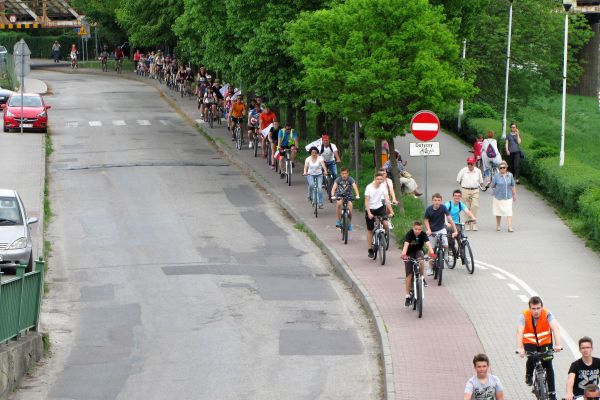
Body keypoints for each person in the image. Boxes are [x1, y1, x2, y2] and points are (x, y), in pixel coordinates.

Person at [517, 296, 563, 400]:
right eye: (533, 308)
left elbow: (555, 329)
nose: (536, 311)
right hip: (530, 342)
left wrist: (558, 345)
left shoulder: (547, 314)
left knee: (548, 365)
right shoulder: (523, 316)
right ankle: (529, 375)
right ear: (529, 308)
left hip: (545, 343)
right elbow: (519, 332)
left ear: (542, 307)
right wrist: (520, 348)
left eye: (538, 308)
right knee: (531, 357)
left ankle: (552, 394)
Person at [401, 221, 435, 306]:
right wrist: (404, 255)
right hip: (409, 254)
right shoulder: (409, 234)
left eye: (419, 229)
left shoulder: (423, 234)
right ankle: (407, 296)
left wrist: (432, 253)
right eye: (416, 229)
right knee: (408, 275)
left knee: (421, 259)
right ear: (413, 228)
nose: (417, 231)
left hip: (418, 252)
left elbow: (428, 244)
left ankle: (422, 278)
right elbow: (405, 245)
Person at [424, 193, 457, 275]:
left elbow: (450, 219)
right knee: (431, 250)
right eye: (435, 200)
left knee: (445, 245)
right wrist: (428, 230)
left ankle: (445, 255)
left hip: (441, 229)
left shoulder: (443, 208)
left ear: (441, 201)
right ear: (432, 201)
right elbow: (426, 220)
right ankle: (430, 268)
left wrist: (455, 231)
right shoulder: (428, 209)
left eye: (438, 200)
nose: (437, 202)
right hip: (432, 231)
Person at [364, 172, 394, 258]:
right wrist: (369, 213)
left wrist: (391, 211)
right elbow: (366, 201)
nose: (379, 181)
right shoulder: (369, 187)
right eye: (378, 179)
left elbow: (387, 200)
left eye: (381, 179)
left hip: (380, 208)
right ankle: (370, 249)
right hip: (370, 209)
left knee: (385, 223)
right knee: (370, 230)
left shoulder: (383, 187)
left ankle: (383, 236)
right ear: (374, 179)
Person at [456, 158, 484, 231]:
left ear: (474, 164)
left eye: (471, 164)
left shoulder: (478, 171)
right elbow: (458, 180)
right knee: (467, 207)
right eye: (468, 164)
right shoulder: (463, 170)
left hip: (475, 190)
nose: (470, 165)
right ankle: (467, 223)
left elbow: (481, 182)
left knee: (474, 206)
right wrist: (465, 185)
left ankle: (474, 223)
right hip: (465, 190)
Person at [491, 160, 516, 232]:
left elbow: (513, 185)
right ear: (499, 169)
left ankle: (510, 227)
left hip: (508, 196)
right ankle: (498, 225)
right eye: (500, 168)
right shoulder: (496, 176)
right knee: (498, 212)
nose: (502, 169)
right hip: (498, 197)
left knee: (509, 211)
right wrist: (494, 188)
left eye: (504, 167)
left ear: (506, 168)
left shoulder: (510, 175)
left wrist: (514, 195)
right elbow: (492, 185)